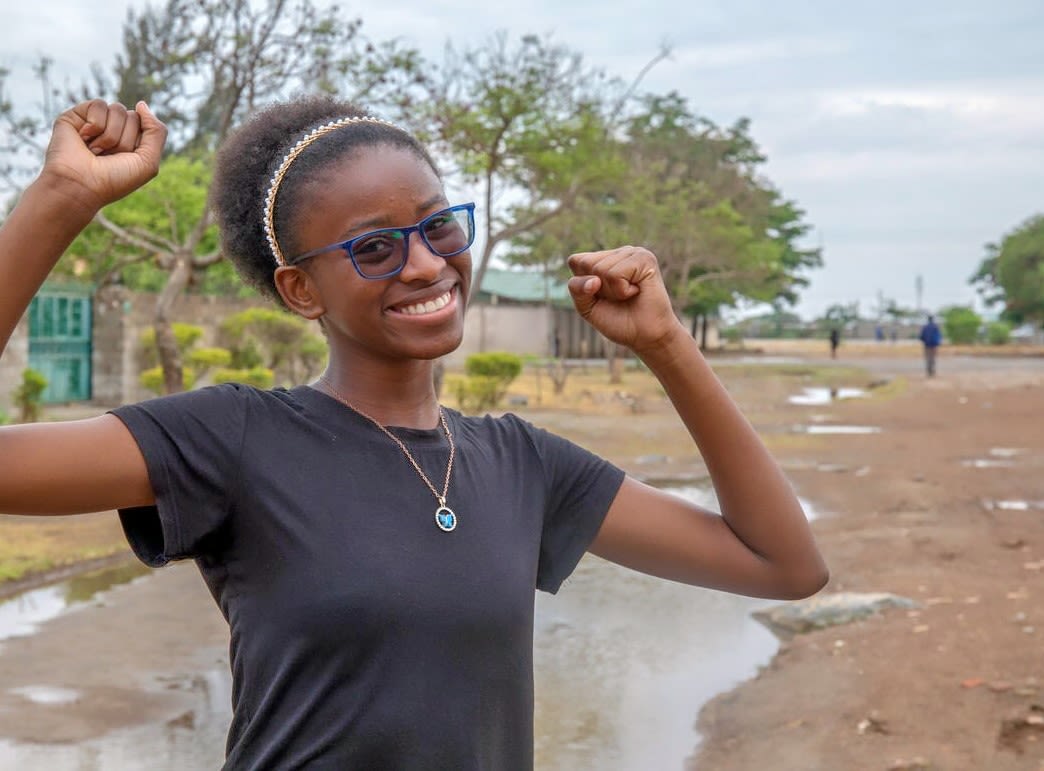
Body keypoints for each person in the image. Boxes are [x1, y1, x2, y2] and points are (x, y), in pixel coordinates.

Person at [0, 97, 828, 770]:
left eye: (438, 227)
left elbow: (782, 564)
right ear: (299, 289)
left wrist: (664, 344)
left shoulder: (523, 463)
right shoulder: (237, 439)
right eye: (372, 247)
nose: (426, 264)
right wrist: (61, 200)